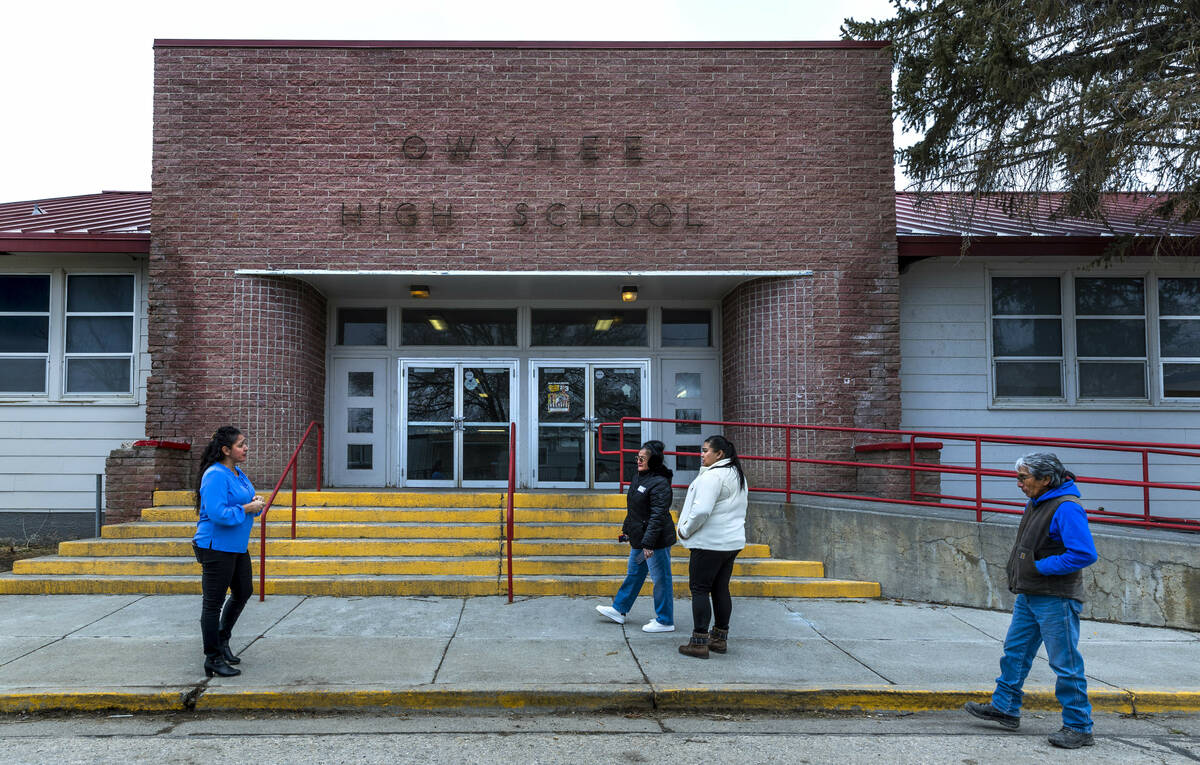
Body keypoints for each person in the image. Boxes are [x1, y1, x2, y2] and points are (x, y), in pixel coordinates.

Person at [964, 452, 1098, 749]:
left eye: (1023, 478)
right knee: (1016, 651)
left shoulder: (1066, 508)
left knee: (1065, 664)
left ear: (1046, 479)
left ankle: (1079, 726)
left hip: (1056, 598)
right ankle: (1005, 707)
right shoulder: (1039, 502)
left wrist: (1041, 568)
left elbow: (1084, 553)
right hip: (1031, 594)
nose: (1019, 484)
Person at [193, 426, 265, 678]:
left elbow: (243, 501)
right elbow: (218, 514)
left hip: (235, 546)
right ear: (226, 450)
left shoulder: (237, 472)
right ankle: (212, 657)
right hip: (215, 547)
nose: (245, 448)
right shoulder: (215, 475)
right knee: (212, 604)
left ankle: (222, 640)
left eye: (245, 444)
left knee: (244, 591)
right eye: (240, 445)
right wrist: (248, 507)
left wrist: (254, 503)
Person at [675, 435, 748, 658]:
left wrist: (685, 529)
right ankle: (719, 639)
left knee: (699, 590)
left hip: (709, 543)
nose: (702, 454)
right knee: (720, 589)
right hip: (730, 543)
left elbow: (702, 510)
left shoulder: (713, 476)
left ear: (719, 454)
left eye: (706, 450)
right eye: (702, 450)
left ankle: (699, 642)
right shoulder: (736, 475)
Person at [595, 440, 677, 632]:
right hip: (641, 538)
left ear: (653, 460)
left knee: (661, 579)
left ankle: (665, 620)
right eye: (637, 458)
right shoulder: (640, 477)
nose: (638, 461)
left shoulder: (660, 483)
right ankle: (619, 610)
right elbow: (635, 509)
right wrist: (627, 529)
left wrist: (648, 543)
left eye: (643, 458)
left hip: (654, 541)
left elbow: (657, 516)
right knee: (634, 573)